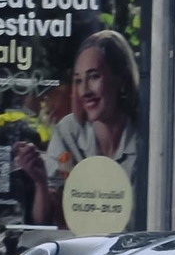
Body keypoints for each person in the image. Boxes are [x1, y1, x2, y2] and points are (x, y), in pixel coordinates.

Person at [13, 30, 143, 228]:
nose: (85, 91)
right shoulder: (67, 132)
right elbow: (46, 222)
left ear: (122, 81)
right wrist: (40, 181)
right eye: (78, 80)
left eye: (94, 77)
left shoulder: (146, 140)